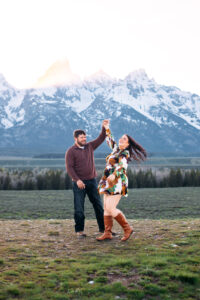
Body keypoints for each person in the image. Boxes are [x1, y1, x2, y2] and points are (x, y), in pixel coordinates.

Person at [97, 120, 147, 241]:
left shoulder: (124, 153)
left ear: (128, 144)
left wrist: (114, 175)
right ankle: (107, 232)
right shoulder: (115, 149)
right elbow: (109, 139)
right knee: (106, 207)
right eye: (121, 138)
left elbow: (122, 166)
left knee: (110, 207)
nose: (121, 139)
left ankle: (127, 228)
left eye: (124, 139)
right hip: (107, 180)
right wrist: (106, 127)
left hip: (117, 182)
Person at [65, 120, 108, 238]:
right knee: (79, 208)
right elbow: (69, 167)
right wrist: (77, 180)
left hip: (92, 181)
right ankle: (79, 231)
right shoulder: (71, 151)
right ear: (76, 138)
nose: (84, 139)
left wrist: (104, 127)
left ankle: (104, 230)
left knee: (98, 206)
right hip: (79, 183)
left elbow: (101, 138)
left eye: (85, 137)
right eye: (81, 137)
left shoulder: (90, 146)